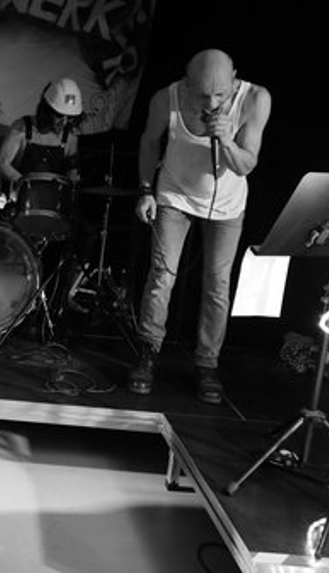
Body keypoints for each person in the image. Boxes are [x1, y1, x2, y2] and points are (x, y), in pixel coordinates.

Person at [130, 48, 271, 404]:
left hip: (227, 205)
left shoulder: (255, 99)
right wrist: (145, 190)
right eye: (202, 94)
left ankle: (207, 363)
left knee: (217, 284)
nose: (211, 102)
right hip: (175, 194)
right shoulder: (167, 98)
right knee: (162, 275)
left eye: (220, 94)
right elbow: (149, 142)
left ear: (234, 79)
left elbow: (246, 165)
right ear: (186, 82)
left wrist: (226, 139)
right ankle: (148, 351)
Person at [0, 77, 88, 323]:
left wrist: (74, 178)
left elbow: (71, 170)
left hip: (53, 210)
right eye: (59, 116)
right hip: (22, 205)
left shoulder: (70, 136)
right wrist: (25, 182)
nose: (64, 122)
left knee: (80, 236)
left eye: (69, 118)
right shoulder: (22, 128)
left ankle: (57, 303)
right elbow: (2, 163)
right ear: (46, 111)